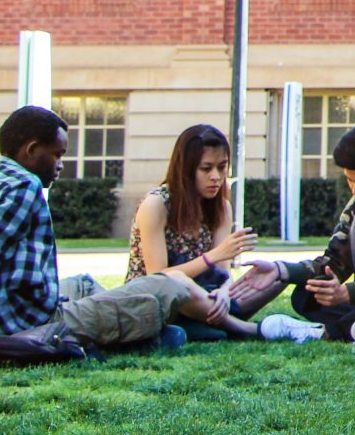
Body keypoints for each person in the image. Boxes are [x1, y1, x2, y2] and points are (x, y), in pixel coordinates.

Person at [0, 107, 262, 362]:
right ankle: (227, 331)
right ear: (30, 150)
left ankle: (155, 334)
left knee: (85, 283)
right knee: (170, 286)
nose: (61, 165)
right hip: (29, 328)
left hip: (27, 309)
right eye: (57, 155)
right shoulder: (22, 190)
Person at [126, 124, 320, 342]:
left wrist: (225, 291)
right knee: (176, 281)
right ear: (186, 170)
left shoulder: (220, 206)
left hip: (207, 297)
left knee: (276, 276)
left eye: (222, 167)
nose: (216, 177)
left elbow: (222, 274)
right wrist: (214, 255)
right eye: (206, 168)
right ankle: (247, 329)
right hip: (157, 300)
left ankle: (207, 324)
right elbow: (157, 276)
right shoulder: (157, 204)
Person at [248, 122, 355, 344]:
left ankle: (326, 333)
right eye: (350, 180)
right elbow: (335, 260)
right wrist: (283, 270)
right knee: (307, 293)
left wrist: (350, 292)